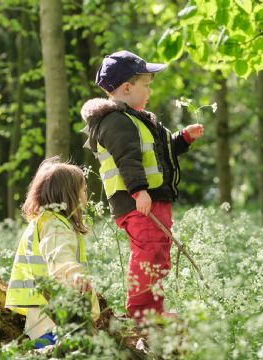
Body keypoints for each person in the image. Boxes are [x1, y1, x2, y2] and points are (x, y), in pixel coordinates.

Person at [80, 50, 204, 323]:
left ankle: (153, 311)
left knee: (158, 255)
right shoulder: (114, 121)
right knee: (148, 253)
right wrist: (139, 191)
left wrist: (182, 139)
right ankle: (141, 315)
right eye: (145, 85)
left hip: (150, 199)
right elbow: (128, 158)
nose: (149, 91)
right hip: (137, 201)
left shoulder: (139, 119)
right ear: (126, 88)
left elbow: (159, 152)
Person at [5, 157, 100, 348]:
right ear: (68, 194)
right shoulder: (55, 224)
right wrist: (75, 275)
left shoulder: (48, 222)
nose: (86, 195)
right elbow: (59, 255)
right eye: (83, 190)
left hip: (44, 315)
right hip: (53, 317)